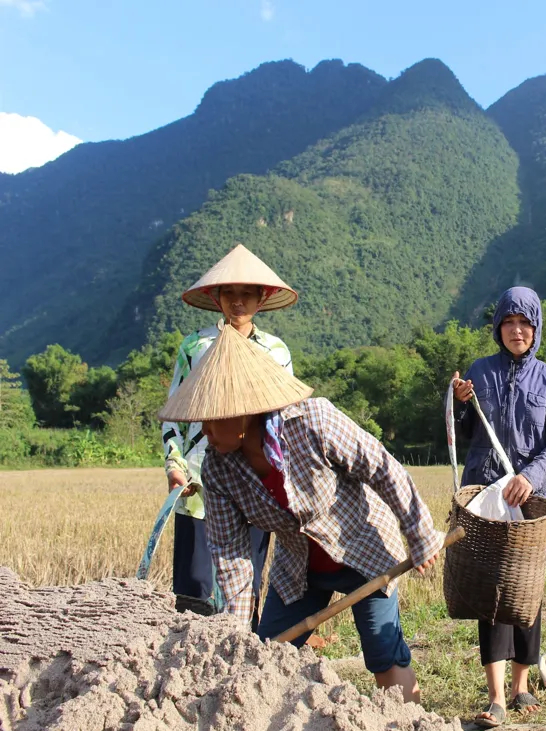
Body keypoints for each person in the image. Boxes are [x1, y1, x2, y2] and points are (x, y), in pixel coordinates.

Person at [158, 323, 443, 704]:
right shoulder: (217, 469)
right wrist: (240, 636)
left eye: (213, 418)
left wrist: (420, 534)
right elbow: (232, 557)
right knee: (267, 652)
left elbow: (383, 468)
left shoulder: (313, 422)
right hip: (298, 567)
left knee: (382, 652)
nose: (205, 430)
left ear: (244, 414)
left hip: (365, 549)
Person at [450, 287, 546, 728]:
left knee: (526, 592)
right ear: (498, 328)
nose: (517, 330)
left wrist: (532, 475)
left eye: (525, 323)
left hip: (531, 498)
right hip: (487, 497)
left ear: (536, 328)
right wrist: (461, 403)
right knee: (492, 593)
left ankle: (523, 686)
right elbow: (466, 431)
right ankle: (497, 695)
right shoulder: (479, 372)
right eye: (509, 322)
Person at [161, 243, 295, 624]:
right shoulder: (196, 347)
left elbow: (284, 422)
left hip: (255, 484)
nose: (238, 302)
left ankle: (242, 666)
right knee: (193, 590)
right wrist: (174, 467)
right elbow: (175, 416)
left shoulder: (275, 351)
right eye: (230, 294)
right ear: (217, 297)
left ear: (262, 297)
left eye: (247, 294)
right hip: (198, 483)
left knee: (245, 585)